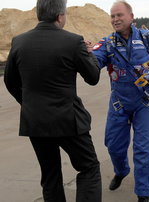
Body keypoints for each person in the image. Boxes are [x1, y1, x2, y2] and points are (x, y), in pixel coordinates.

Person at [3, 0, 102, 201]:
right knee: (89, 167)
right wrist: (90, 54)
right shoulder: (74, 41)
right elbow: (93, 77)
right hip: (68, 120)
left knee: (50, 176)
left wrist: (29, 103)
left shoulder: (19, 41)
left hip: (36, 122)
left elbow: (10, 81)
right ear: (60, 16)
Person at [91, 1, 149, 201]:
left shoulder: (148, 40)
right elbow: (95, 60)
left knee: (144, 151)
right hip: (119, 104)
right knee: (113, 145)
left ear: (131, 16)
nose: (115, 19)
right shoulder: (108, 42)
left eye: (119, 15)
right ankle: (121, 171)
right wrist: (86, 55)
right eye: (112, 16)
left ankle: (143, 194)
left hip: (145, 103)